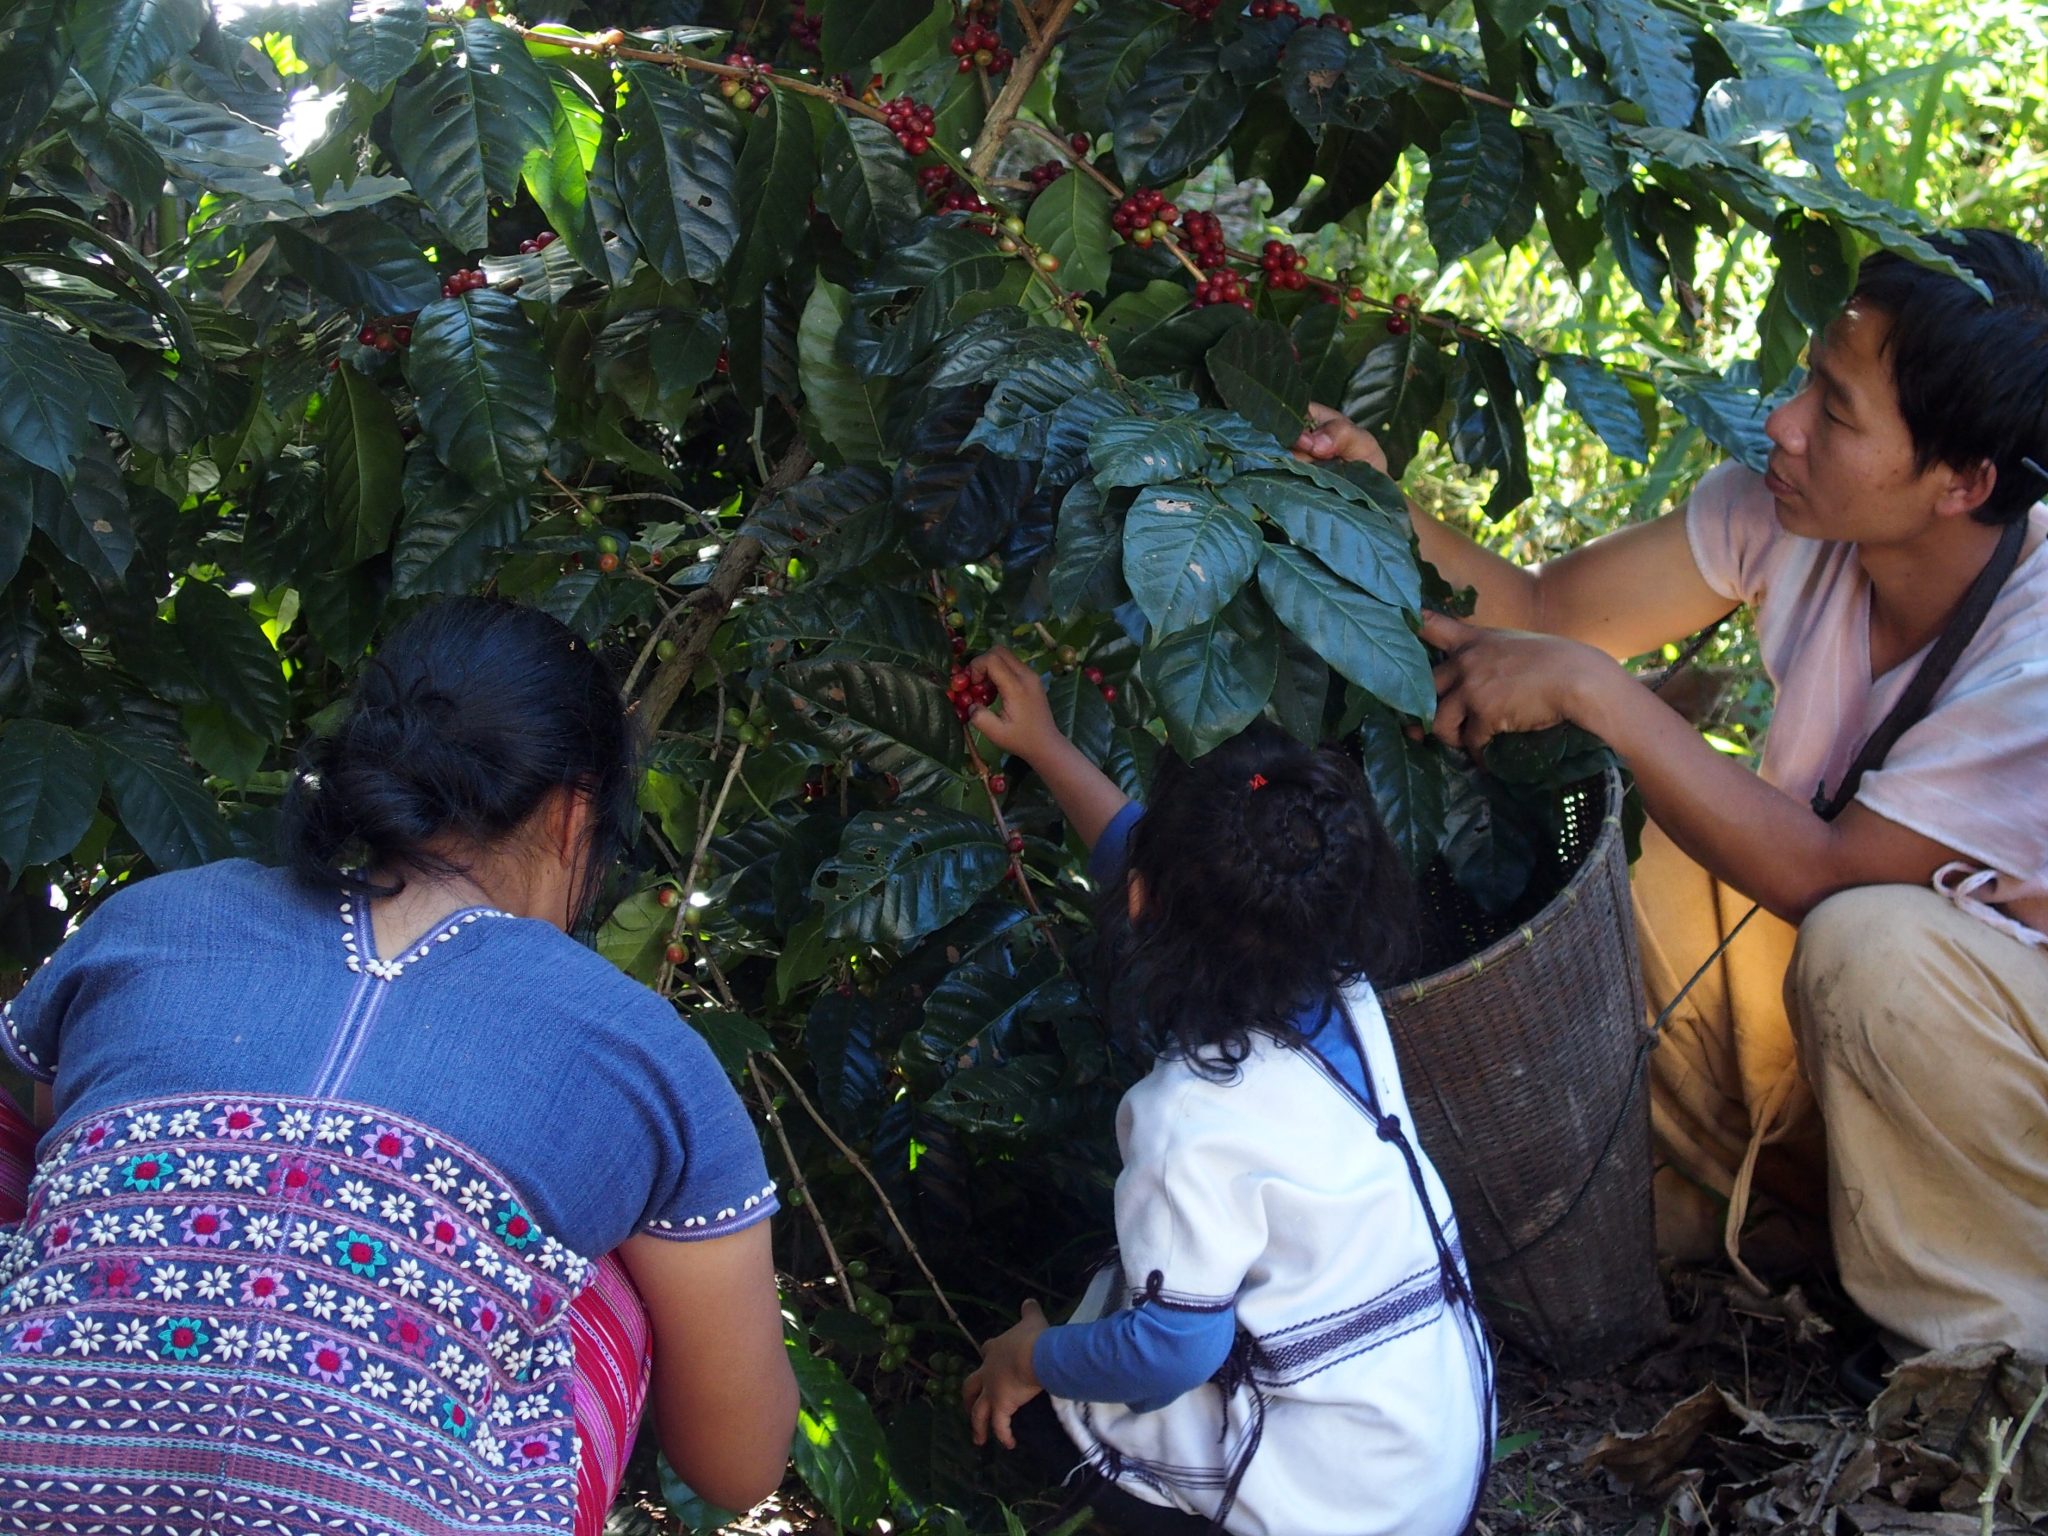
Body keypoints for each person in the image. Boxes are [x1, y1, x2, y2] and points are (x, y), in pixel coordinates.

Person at [1295, 228, 2048, 1361]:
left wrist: (1601, 696)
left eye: (1834, 413)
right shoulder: (1799, 513)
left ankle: (1983, 1361)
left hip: (1997, 1084)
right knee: (1633, 829)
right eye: (1805, 379)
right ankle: (1771, 1206)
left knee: (1871, 941)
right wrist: (1372, 504)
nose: (1782, 423)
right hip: (1878, 1036)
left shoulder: (2034, 650)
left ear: (1964, 483)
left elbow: (1826, 876)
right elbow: (1548, 616)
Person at [0, 598, 797, 1531]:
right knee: (608, 1275)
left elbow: (52, 1135)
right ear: (577, 813)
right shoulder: (642, 1047)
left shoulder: (150, 921)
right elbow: (737, 1467)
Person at [958, 649, 1492, 1536]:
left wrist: (1033, 1357)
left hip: (1330, 1510)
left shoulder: (1190, 1118)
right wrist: (1048, 747)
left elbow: (1172, 1353)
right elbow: (1182, 874)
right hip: (1426, 1462)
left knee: (1049, 1411)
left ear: (1140, 901)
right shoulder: (1345, 990)